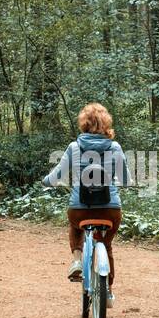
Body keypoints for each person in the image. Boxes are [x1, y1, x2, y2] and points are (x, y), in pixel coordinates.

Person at [42, 103, 132, 300]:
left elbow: (57, 175)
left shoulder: (74, 147)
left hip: (80, 209)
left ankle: (76, 260)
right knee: (106, 245)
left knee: (76, 227)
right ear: (106, 123)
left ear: (83, 124)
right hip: (110, 210)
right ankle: (107, 292)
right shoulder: (115, 147)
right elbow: (126, 180)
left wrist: (47, 181)